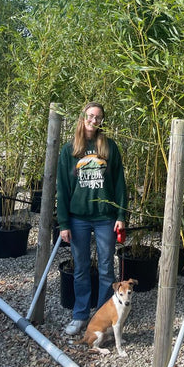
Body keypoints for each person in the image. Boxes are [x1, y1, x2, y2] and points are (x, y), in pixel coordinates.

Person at [57, 101, 127, 335]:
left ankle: (102, 317)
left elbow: (119, 184)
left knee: (107, 268)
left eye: (98, 117)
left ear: (102, 121)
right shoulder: (70, 150)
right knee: (81, 268)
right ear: (83, 117)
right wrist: (64, 223)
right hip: (79, 218)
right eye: (90, 116)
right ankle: (80, 315)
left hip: (105, 217)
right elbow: (63, 189)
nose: (94, 120)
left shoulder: (109, 147)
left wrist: (120, 215)